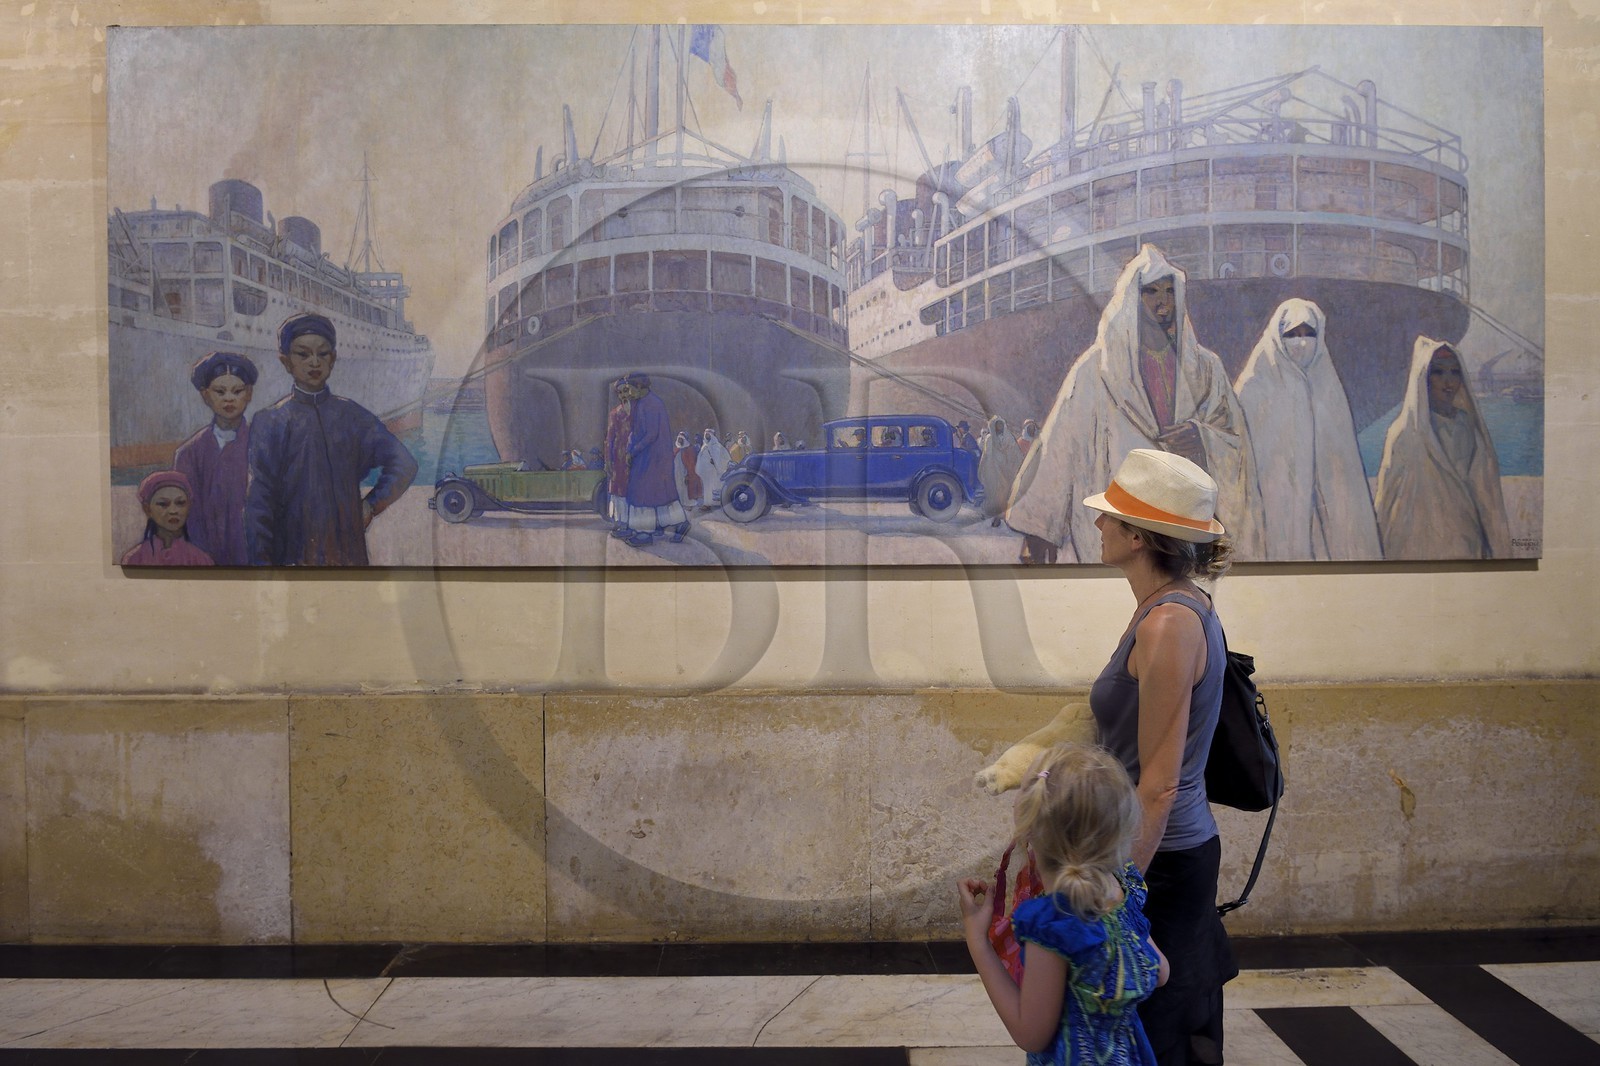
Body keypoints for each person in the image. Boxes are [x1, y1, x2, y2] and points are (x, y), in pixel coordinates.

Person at [1080, 448, 1238, 1065]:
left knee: (1161, 1034)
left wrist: (1121, 887)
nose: (1099, 525)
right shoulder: (1162, 610)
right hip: (1156, 851)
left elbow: (1160, 783)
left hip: (1162, 858)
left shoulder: (1169, 624)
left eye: (1111, 517)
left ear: (1140, 535)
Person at [1006, 245, 1262, 565]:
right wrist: (1037, 530)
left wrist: (1201, 436)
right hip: (1121, 517)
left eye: (1169, 291)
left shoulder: (1207, 368)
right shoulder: (1097, 367)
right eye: (1151, 291)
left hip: (1182, 519)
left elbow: (1233, 434)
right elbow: (1062, 441)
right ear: (1132, 298)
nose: (1162, 301)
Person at [957, 743, 1169, 1065]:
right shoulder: (1119, 892)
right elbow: (1160, 970)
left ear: (1029, 829)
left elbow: (1030, 1035)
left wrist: (977, 941)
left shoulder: (1052, 923)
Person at [244, 312, 418, 566]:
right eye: (302, 354)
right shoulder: (270, 422)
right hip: (292, 559)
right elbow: (259, 504)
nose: (314, 362)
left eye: (323, 354)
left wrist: (371, 505)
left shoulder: (353, 417)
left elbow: (404, 463)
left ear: (333, 359)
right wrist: (262, 568)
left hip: (347, 555)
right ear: (286, 362)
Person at [1234, 299, 1382, 560]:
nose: (1301, 342)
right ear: (1278, 337)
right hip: (1272, 508)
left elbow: (1342, 462)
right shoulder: (1253, 386)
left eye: (1308, 334)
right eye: (1292, 334)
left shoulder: (1329, 389)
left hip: (1320, 518)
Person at [1374, 338, 1511, 559]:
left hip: (1466, 544)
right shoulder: (1403, 433)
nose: (1448, 381)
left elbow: (1486, 494)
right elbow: (1386, 499)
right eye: (1438, 373)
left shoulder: (1469, 428)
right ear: (1424, 379)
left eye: (1455, 372)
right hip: (1414, 547)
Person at [173, 351, 257, 565]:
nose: (229, 398)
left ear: (249, 394)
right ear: (205, 395)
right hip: (204, 557)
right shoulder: (189, 453)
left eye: (237, 391)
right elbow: (187, 515)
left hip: (253, 555)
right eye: (220, 392)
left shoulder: (262, 444)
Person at [621, 373, 690, 546]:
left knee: (643, 494)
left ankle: (644, 534)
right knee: (660, 494)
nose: (627, 392)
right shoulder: (643, 403)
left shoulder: (651, 404)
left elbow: (651, 434)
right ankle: (680, 523)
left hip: (652, 458)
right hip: (651, 457)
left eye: (629, 388)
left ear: (639, 387)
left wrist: (633, 451)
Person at [120, 470, 214, 567]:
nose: (173, 511)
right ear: (147, 509)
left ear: (189, 507)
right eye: (163, 504)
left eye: (180, 503)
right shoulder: (134, 559)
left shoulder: (201, 560)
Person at [603, 377, 635, 539]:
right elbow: (609, 438)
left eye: (626, 390)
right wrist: (608, 460)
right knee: (619, 489)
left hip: (636, 455)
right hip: (619, 457)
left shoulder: (639, 410)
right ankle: (621, 522)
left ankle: (637, 524)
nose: (624, 395)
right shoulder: (615, 413)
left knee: (636, 488)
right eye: (620, 392)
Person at [978, 415, 1024, 527]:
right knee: (993, 494)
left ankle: (999, 516)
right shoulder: (989, 438)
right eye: (996, 425)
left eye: (1000, 424)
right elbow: (986, 455)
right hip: (993, 471)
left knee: (1004, 494)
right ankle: (993, 516)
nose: (999, 427)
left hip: (1006, 470)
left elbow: (1015, 453)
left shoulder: (1008, 437)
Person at [695, 427, 732, 507]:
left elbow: (722, 459)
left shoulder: (716, 446)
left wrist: (717, 465)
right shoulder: (704, 446)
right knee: (707, 488)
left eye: (708, 434)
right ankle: (708, 503)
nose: (707, 436)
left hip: (712, 471)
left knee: (710, 487)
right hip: (705, 472)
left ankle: (708, 504)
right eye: (706, 434)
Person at [672, 430, 703, 510]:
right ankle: (681, 503)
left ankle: (689, 504)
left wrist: (688, 475)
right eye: (679, 439)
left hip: (686, 474)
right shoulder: (676, 450)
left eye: (681, 439)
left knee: (686, 489)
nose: (680, 440)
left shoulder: (689, 449)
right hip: (677, 474)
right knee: (679, 488)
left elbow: (691, 465)